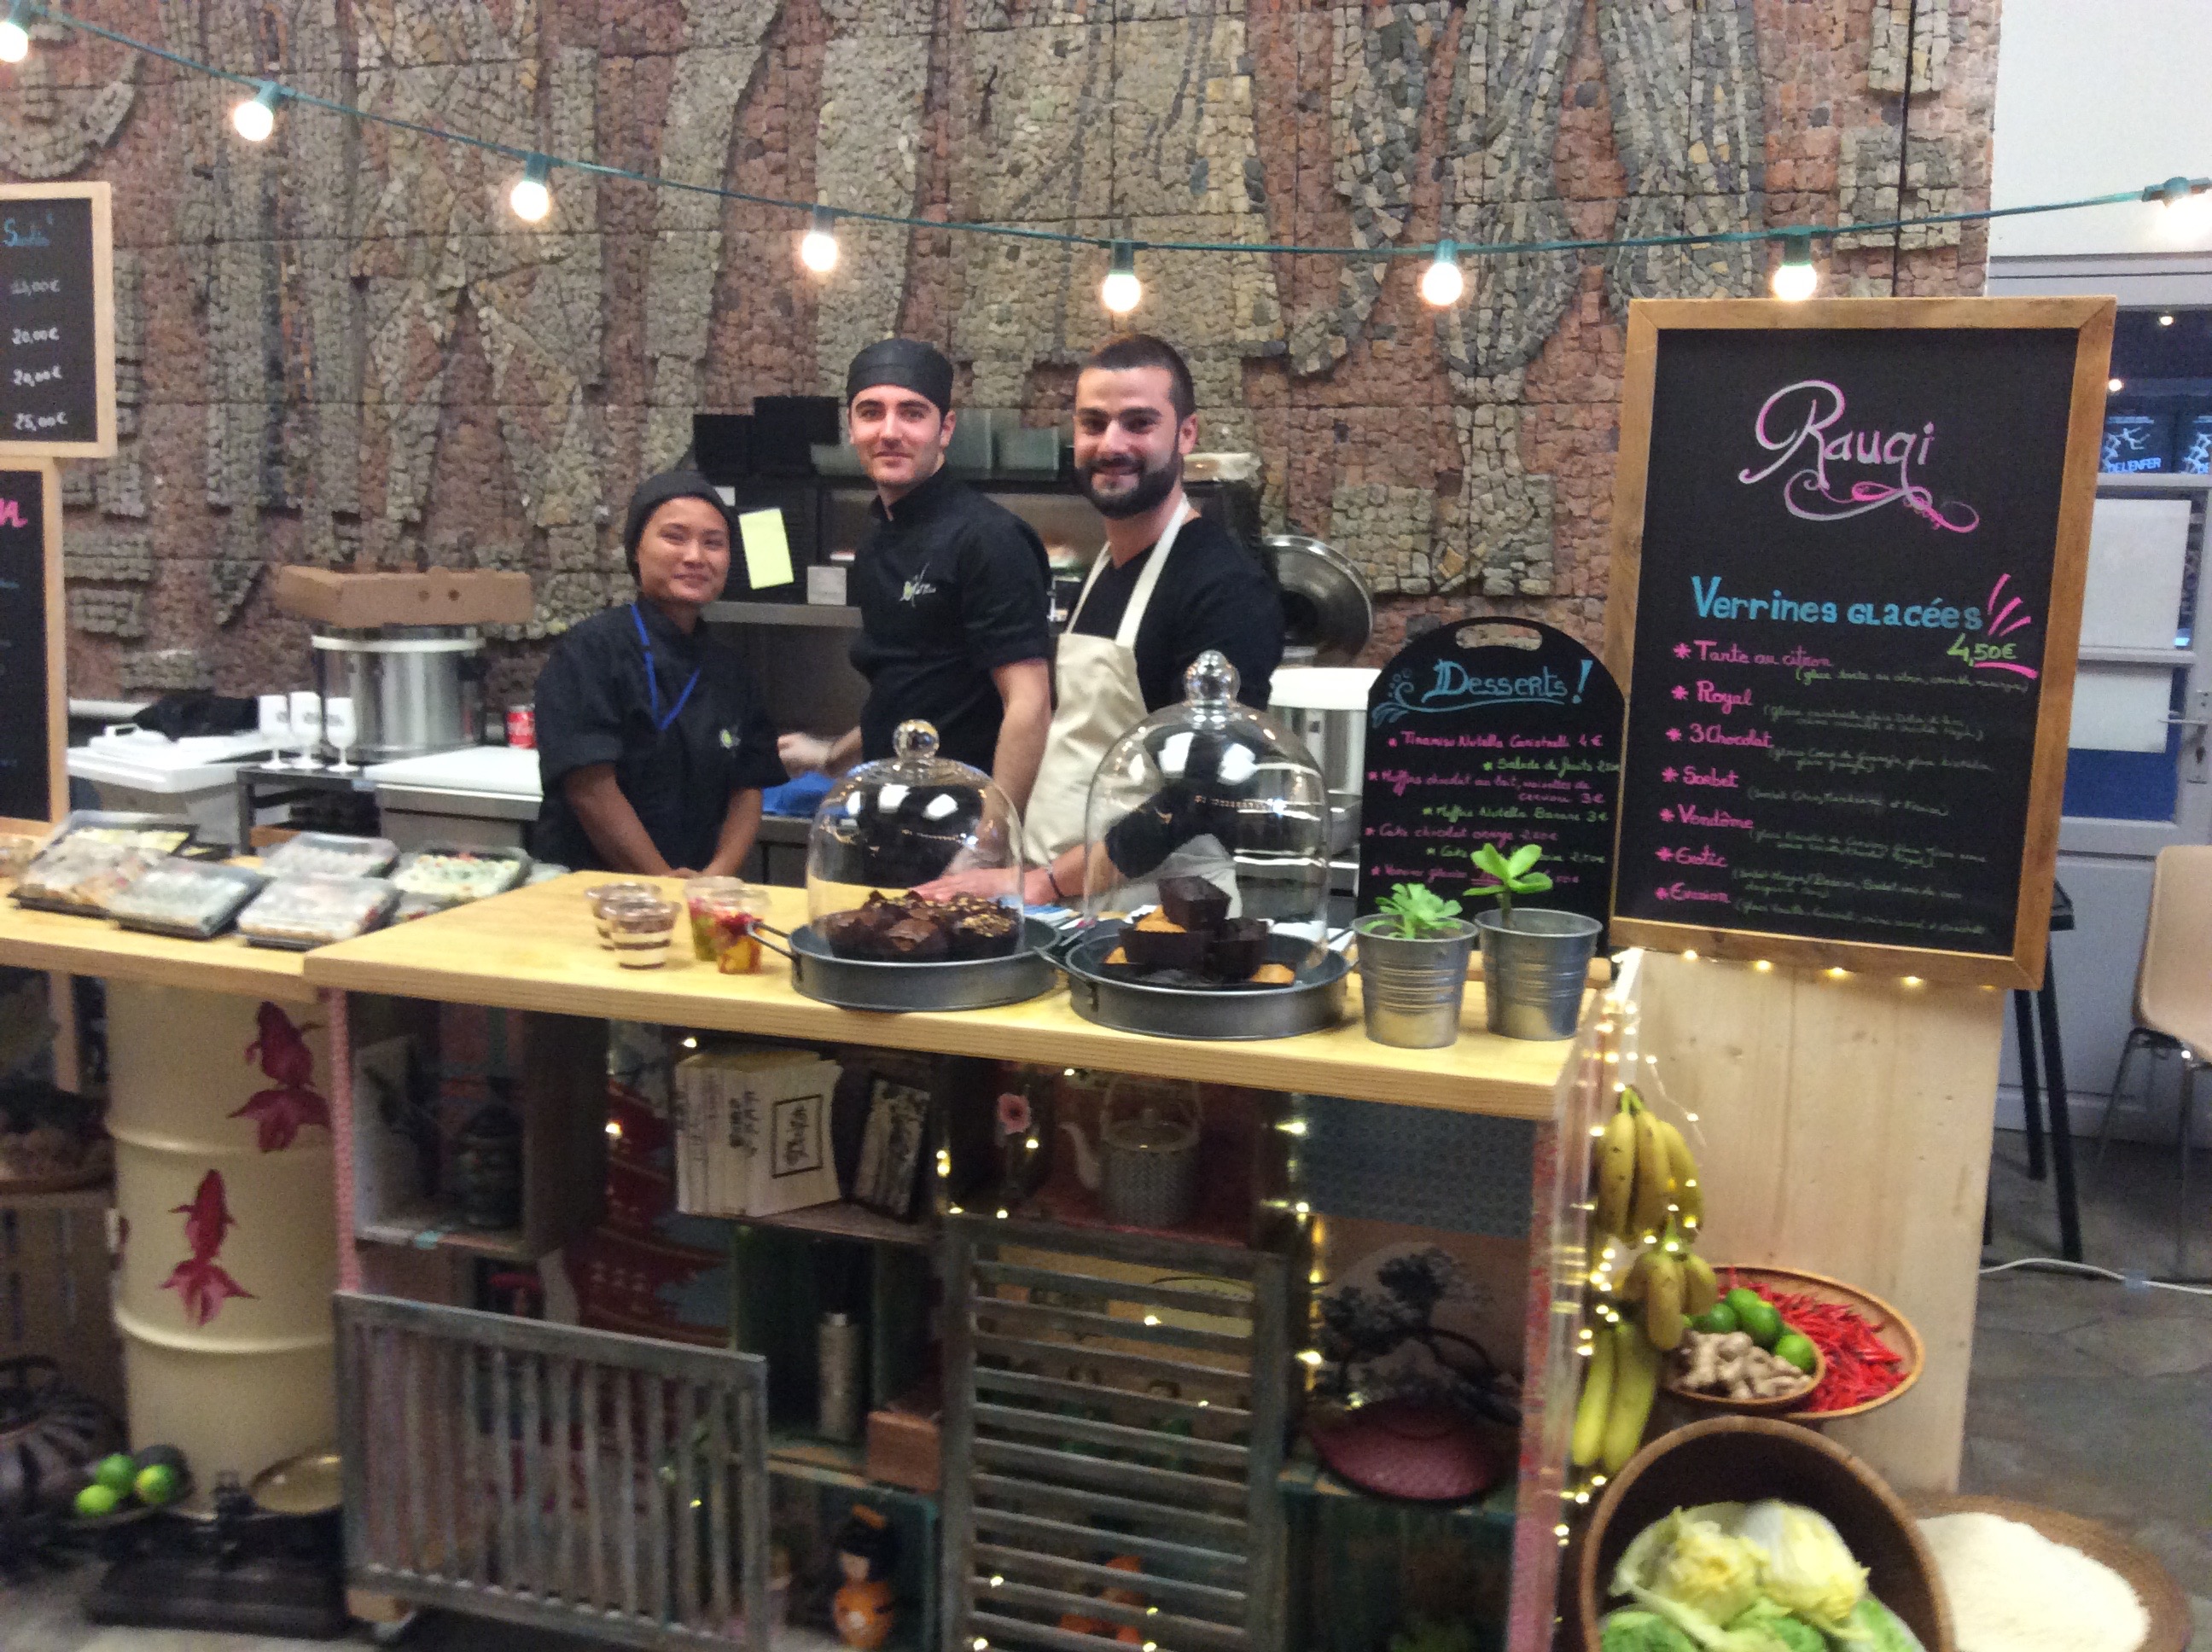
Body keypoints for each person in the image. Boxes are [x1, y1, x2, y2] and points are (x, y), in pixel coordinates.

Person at [1014, 333, 1284, 901]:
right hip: (1061, 895)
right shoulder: (1103, 565)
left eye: (1139, 423)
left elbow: (1205, 792)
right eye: (1092, 424)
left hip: (1161, 912)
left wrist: (1047, 885)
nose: (1111, 444)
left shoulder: (1224, 584)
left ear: (1187, 433)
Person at [777, 338, 1053, 810]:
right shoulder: (876, 536)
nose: (889, 432)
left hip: (961, 816)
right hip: (892, 808)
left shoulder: (989, 539)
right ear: (852, 427)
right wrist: (830, 757)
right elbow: (906, 694)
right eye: (871, 412)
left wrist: (990, 838)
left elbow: (1029, 707)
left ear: (944, 429)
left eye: (911, 413)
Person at [532, 469, 786, 875]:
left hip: (698, 894)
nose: (695, 557)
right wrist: (663, 881)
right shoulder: (590, 650)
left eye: (713, 543)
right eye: (675, 536)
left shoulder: (732, 670)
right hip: (591, 892)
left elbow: (747, 786)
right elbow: (590, 787)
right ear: (636, 550)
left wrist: (715, 878)